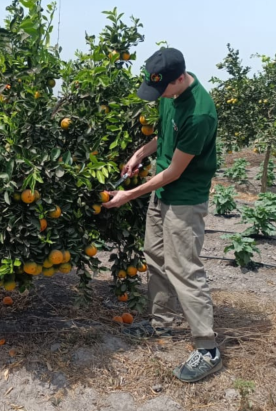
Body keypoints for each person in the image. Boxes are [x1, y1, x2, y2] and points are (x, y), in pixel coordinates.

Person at [102, 48, 220, 383]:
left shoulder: (200, 114)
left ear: (179, 79)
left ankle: (207, 348)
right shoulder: (170, 92)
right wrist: (140, 153)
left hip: (183, 197)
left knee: (184, 268)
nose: (159, 97)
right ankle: (162, 325)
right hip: (162, 191)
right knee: (155, 256)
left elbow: (174, 173)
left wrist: (129, 195)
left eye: (163, 90)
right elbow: (165, 135)